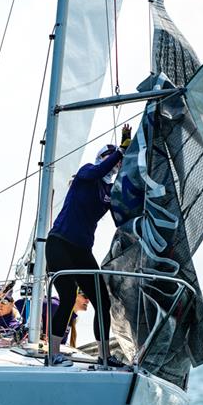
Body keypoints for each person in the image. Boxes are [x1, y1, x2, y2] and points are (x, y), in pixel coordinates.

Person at [45, 124, 131, 367]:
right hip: (59, 243)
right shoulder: (87, 173)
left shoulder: (108, 191)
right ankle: (53, 354)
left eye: (115, 162)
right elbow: (100, 169)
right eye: (109, 158)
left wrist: (128, 165)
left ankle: (104, 355)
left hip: (81, 250)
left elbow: (120, 209)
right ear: (101, 158)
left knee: (102, 300)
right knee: (68, 296)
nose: (113, 165)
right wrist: (120, 151)